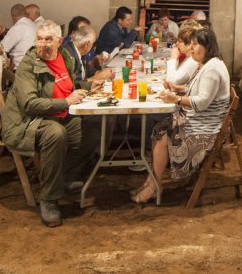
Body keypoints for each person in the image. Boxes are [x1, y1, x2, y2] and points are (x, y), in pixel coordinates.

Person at [0, 19, 90, 227]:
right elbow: (30, 104)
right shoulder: (29, 64)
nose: (43, 44)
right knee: (55, 133)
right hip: (27, 122)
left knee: (94, 123)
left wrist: (91, 84)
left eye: (48, 39)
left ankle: (65, 176)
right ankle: (48, 199)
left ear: (59, 41)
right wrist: (66, 101)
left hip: (55, 114)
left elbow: (70, 85)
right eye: (39, 39)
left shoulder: (63, 56)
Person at [132, 27, 231, 204]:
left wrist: (175, 98)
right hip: (200, 120)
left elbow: (201, 102)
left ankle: (154, 186)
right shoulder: (208, 65)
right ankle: (152, 181)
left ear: (207, 47)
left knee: (163, 136)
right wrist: (179, 89)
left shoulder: (213, 70)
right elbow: (201, 91)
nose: (191, 48)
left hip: (206, 129)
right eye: (191, 44)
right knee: (159, 130)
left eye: (195, 45)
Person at [62, 24, 116, 88]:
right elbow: (74, 86)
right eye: (92, 44)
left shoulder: (78, 50)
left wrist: (99, 72)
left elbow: (85, 69)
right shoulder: (69, 55)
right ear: (87, 44)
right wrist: (96, 77)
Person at [0, 3, 37, 69]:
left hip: (19, 70)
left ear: (12, 17)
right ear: (25, 14)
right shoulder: (34, 25)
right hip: (34, 68)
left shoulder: (18, 28)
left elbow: (2, 49)